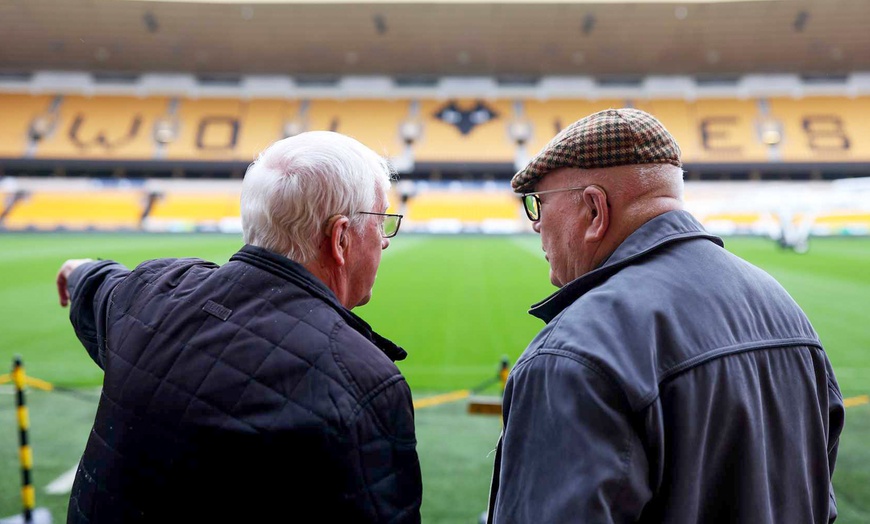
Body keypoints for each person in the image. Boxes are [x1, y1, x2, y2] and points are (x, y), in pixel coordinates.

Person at [486, 108, 844, 523]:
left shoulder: (575, 352)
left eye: (538, 205)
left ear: (594, 210)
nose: (535, 225)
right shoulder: (789, 316)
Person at [55, 131, 422, 523]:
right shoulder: (363, 382)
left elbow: (103, 288)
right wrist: (84, 274)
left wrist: (79, 271)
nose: (383, 242)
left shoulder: (150, 291)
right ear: (340, 238)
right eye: (381, 222)